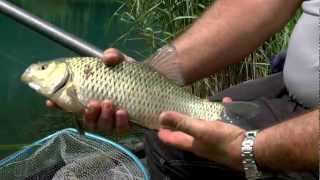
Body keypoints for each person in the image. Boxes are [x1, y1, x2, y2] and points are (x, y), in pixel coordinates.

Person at [48, 0, 319, 179]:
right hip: (292, 83)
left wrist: (250, 149)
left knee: (178, 149)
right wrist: (143, 78)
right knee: (166, 134)